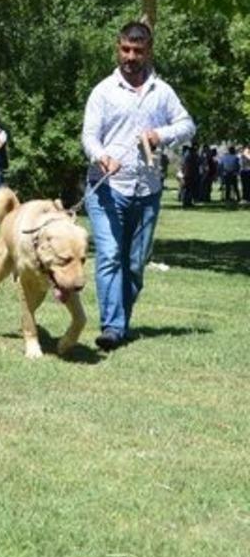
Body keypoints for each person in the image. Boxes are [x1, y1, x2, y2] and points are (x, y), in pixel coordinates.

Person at [81, 21, 194, 351]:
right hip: (106, 187)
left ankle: (121, 321)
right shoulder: (103, 91)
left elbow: (187, 125)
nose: (130, 56)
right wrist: (101, 156)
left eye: (138, 51)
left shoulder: (163, 92)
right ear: (118, 48)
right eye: (125, 49)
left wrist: (161, 135)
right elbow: (89, 135)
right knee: (110, 256)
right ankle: (112, 327)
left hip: (147, 190)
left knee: (134, 263)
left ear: (148, 51)